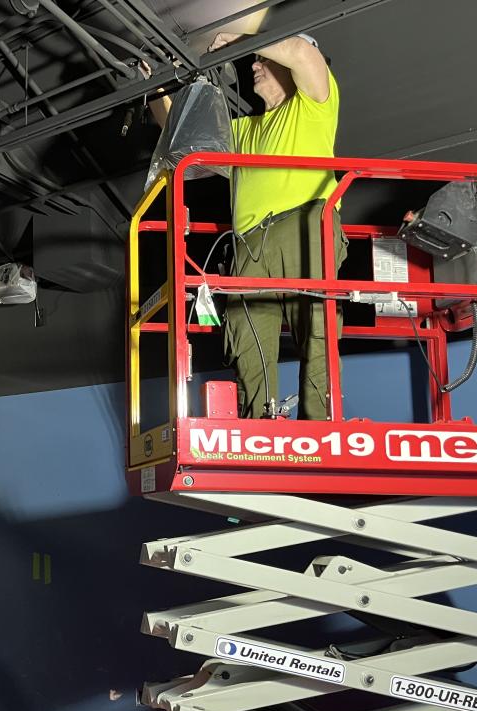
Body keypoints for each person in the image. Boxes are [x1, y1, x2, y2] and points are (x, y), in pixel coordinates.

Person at [146, 32, 348, 420]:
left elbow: (301, 52)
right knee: (245, 334)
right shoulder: (245, 132)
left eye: (261, 60)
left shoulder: (314, 104)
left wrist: (241, 39)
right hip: (250, 244)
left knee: (318, 332)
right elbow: (182, 132)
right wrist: (154, 87)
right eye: (253, 60)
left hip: (305, 228)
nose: (253, 65)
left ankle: (319, 428)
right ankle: (262, 428)